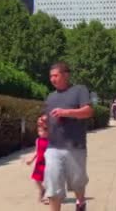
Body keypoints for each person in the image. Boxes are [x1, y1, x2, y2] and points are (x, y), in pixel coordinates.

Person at [38, 62, 93, 211]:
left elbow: (88, 111)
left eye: (55, 75)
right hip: (53, 147)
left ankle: (80, 202)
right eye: (50, 76)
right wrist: (43, 120)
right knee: (53, 185)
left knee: (77, 183)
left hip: (75, 147)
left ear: (66, 75)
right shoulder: (50, 97)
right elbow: (49, 117)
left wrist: (66, 112)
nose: (52, 79)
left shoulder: (79, 90)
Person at [26, 119, 49, 205]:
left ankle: (48, 196)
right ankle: (42, 190)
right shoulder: (38, 140)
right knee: (36, 179)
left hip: (48, 163)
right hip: (39, 163)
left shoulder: (51, 141)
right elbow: (36, 151)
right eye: (39, 131)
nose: (40, 133)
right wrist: (31, 160)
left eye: (42, 131)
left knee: (48, 180)